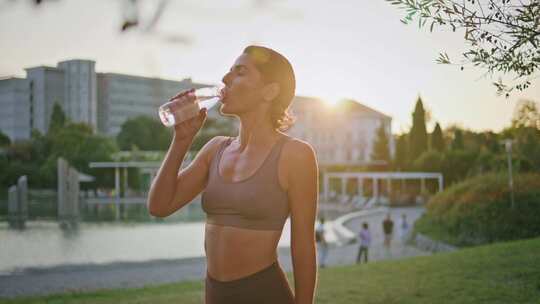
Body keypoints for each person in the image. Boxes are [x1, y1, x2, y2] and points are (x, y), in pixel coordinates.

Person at [147, 45, 318, 304]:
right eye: (229, 71)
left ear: (270, 91)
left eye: (240, 72)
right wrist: (181, 141)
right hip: (215, 295)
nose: (226, 79)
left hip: (264, 294)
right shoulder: (215, 148)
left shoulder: (295, 155)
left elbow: (303, 247)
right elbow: (159, 206)